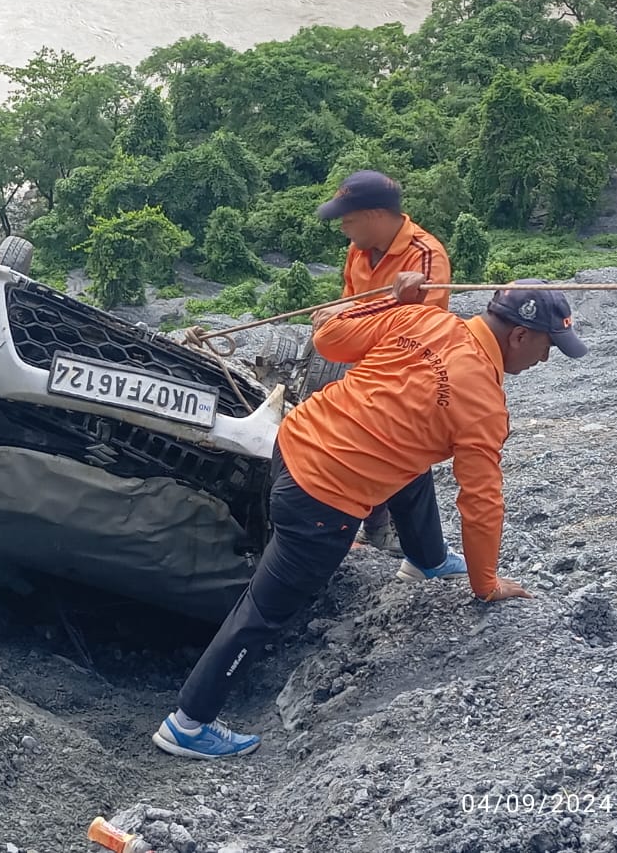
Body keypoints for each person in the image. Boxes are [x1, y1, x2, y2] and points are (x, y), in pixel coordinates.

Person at [152, 274, 588, 759]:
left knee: (408, 452)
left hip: (296, 441)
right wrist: (486, 583)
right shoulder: (483, 401)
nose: (546, 358)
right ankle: (189, 723)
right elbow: (481, 502)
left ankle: (425, 557)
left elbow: (329, 338)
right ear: (520, 335)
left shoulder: (424, 318)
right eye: (549, 346)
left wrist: (388, 302)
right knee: (263, 611)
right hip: (323, 499)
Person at [318, 170, 452, 556]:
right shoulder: (357, 251)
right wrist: (340, 313)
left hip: (407, 371)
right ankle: (373, 530)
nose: (343, 228)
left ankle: (418, 548)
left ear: (375, 214)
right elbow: (351, 301)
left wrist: (345, 319)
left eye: (348, 218)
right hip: (365, 368)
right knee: (358, 446)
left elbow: (422, 324)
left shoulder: (426, 256)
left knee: (399, 455)